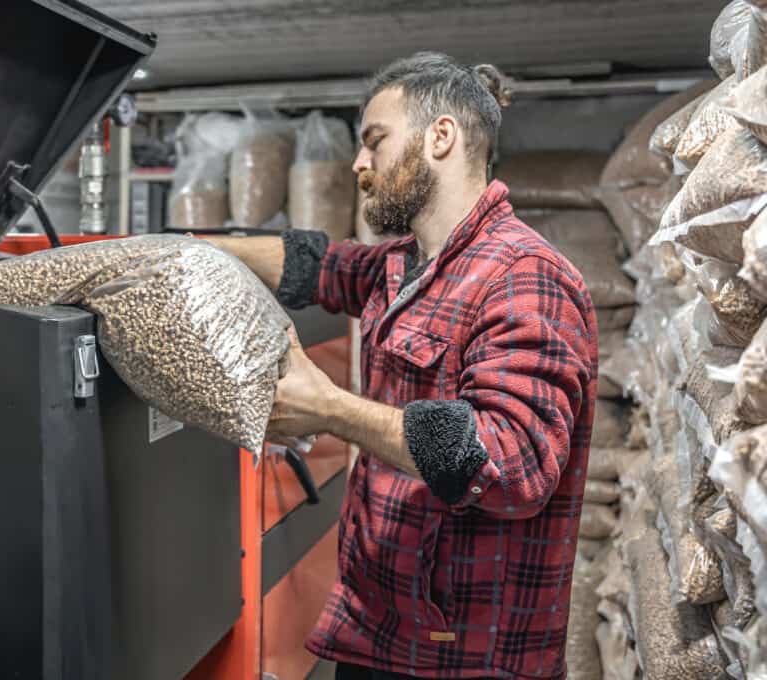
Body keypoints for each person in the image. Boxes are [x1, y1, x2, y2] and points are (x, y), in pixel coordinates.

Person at [209, 52, 599, 679]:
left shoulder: (523, 277)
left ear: (440, 137)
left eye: (374, 142)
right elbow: (316, 265)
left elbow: (511, 463)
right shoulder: (403, 265)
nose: (359, 165)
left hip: (463, 656)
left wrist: (330, 408)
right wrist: (193, 251)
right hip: (385, 631)